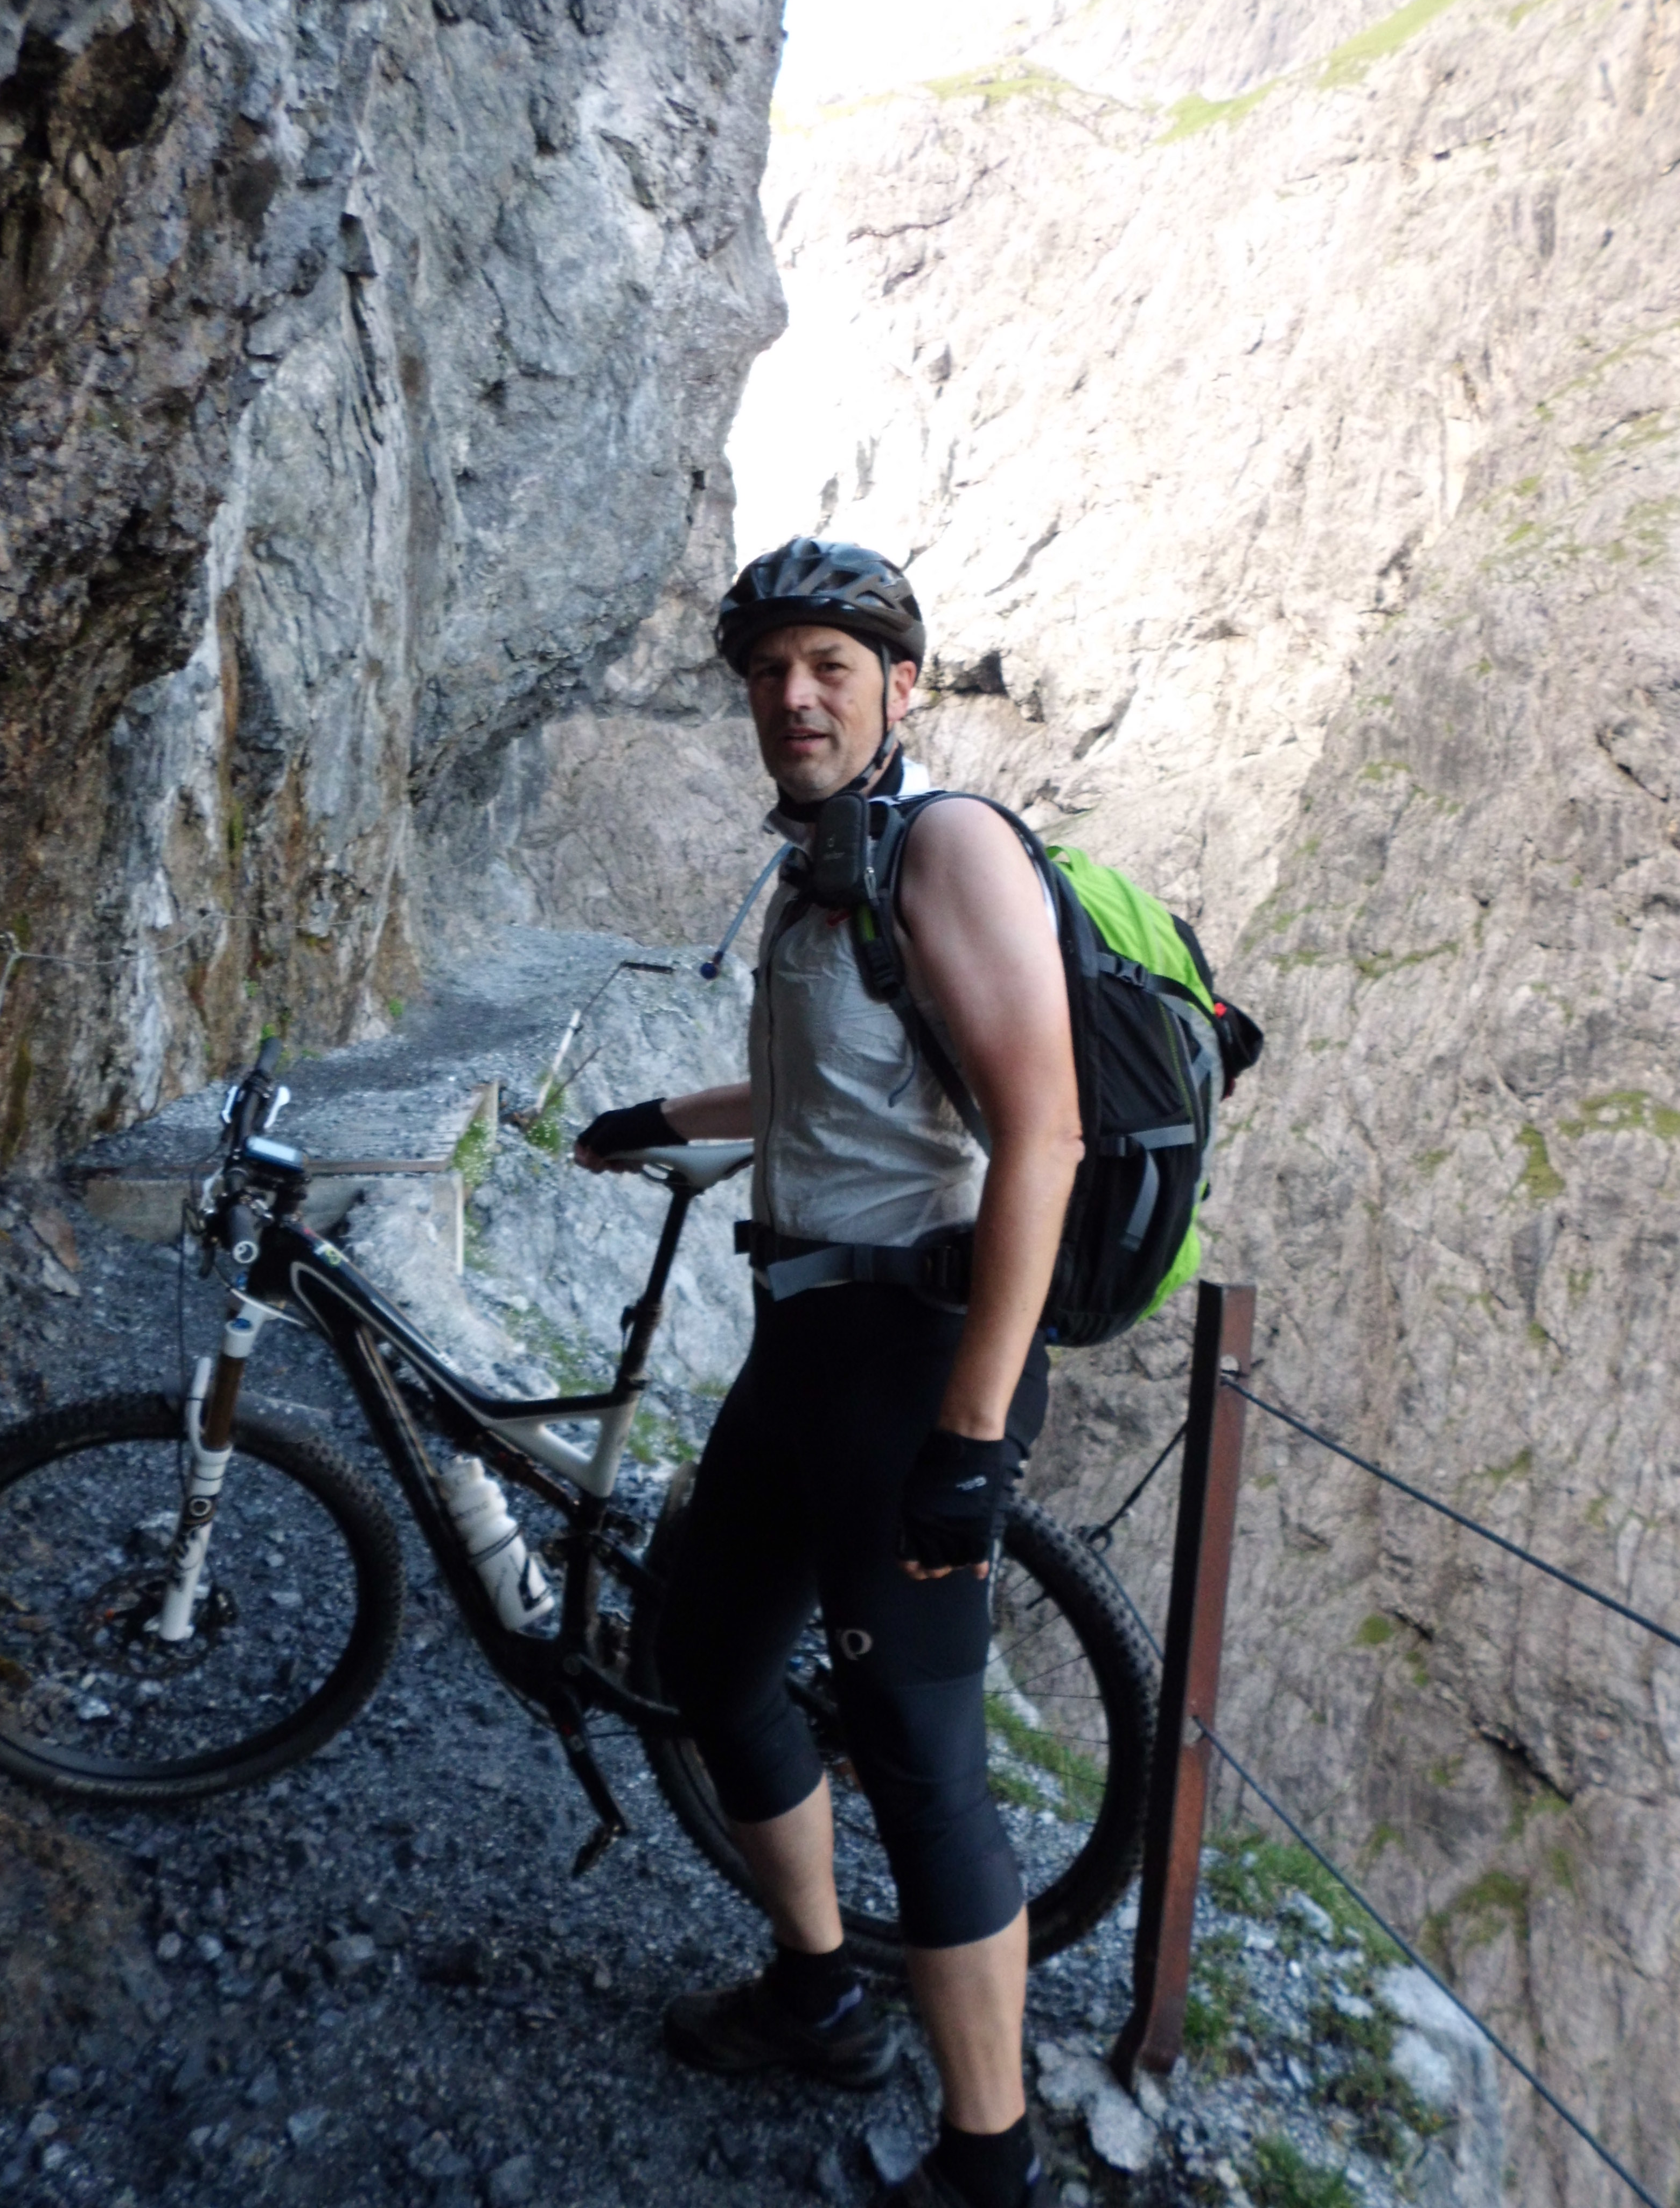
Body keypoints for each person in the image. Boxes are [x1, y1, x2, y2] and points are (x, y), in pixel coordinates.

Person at [574, 538, 1082, 2208]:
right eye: (770, 670)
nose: (794, 695)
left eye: (832, 667)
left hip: (914, 1363)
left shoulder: (950, 846)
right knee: (711, 1659)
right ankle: (816, 1997)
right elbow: (835, 1090)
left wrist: (974, 1437)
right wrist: (665, 1117)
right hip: (806, 1349)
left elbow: (1044, 1134)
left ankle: (989, 2158)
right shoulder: (825, 868)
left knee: (921, 1760)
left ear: (899, 688)